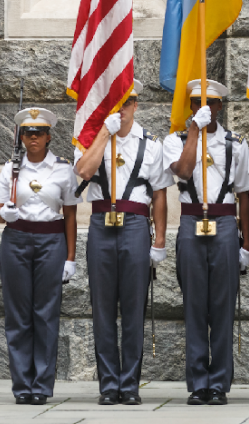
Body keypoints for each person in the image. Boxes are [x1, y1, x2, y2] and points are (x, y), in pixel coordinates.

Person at [74, 80, 173, 406]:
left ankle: (129, 384)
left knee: (133, 307)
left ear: (136, 104)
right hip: (101, 225)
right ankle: (108, 385)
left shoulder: (151, 144)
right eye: (116, 103)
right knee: (102, 309)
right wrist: (105, 132)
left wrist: (159, 240)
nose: (123, 109)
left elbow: (159, 195)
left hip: (134, 225)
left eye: (128, 102)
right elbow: (83, 171)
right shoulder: (91, 138)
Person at [162, 79, 249, 406]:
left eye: (211, 103)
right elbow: (184, 171)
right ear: (191, 107)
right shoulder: (175, 140)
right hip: (191, 222)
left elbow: (244, 196)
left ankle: (219, 383)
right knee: (195, 305)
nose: (205, 108)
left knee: (223, 306)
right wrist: (194, 131)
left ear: (219, 106)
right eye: (198, 102)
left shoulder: (235, 144)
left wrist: (246, 245)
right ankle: (198, 382)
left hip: (225, 223)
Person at [0, 107, 80, 406]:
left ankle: (41, 385)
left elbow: (70, 215)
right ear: (21, 137)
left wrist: (70, 257)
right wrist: (4, 213)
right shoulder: (11, 168)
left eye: (39, 133)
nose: (33, 138)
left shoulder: (63, 169)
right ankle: (22, 385)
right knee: (18, 314)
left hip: (51, 240)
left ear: (48, 137)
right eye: (28, 133)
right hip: (16, 239)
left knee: (45, 314)